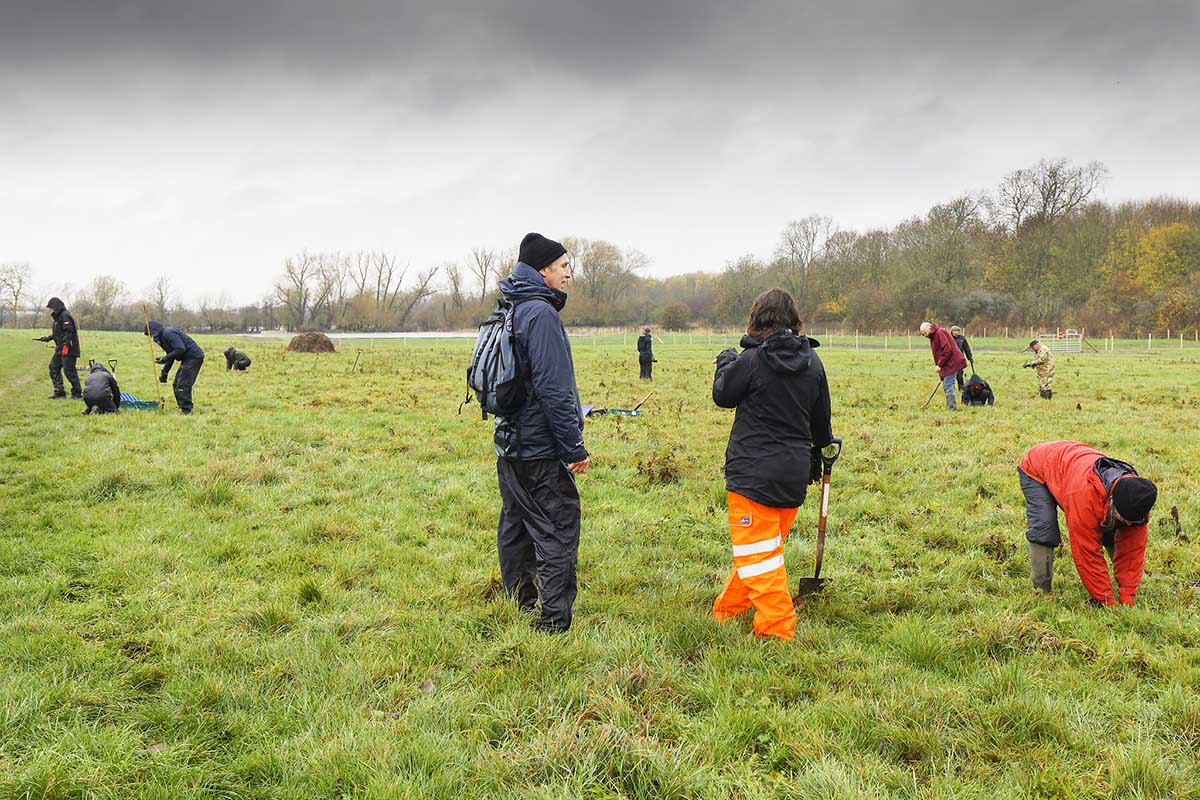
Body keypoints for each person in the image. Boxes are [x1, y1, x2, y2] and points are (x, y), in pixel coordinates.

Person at [711, 288, 832, 640]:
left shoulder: (751, 361)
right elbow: (821, 424)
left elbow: (722, 395)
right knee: (762, 549)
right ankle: (729, 609)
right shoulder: (814, 362)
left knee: (758, 553)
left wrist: (725, 362)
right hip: (794, 474)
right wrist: (820, 449)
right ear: (794, 320)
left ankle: (777, 629)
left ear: (757, 318)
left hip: (752, 473)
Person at [493, 232, 589, 634]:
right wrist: (574, 448)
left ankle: (520, 600)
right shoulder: (541, 314)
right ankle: (553, 620)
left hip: (509, 442)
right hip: (539, 447)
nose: (569, 274)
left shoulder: (510, 307)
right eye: (564, 267)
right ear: (543, 270)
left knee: (516, 523)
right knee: (557, 524)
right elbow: (555, 390)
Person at [1018, 440, 1157, 606]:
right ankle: (1041, 591)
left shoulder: (1138, 498)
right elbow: (1086, 552)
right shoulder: (1084, 496)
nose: (1128, 522)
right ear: (1112, 501)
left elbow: (1133, 548)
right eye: (1123, 517)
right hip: (1038, 467)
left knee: (1113, 530)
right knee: (1044, 528)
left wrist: (1127, 593)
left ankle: (1120, 586)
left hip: (1072, 461)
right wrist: (1105, 600)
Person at [144, 320, 205, 414]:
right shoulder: (162, 337)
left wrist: (165, 358)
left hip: (194, 357)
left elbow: (180, 349)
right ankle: (182, 407)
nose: (152, 338)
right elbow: (171, 355)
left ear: (155, 331)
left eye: (151, 335)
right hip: (187, 358)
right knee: (176, 384)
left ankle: (186, 410)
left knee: (183, 384)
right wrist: (164, 372)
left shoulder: (168, 333)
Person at [35, 297, 82, 399]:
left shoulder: (65, 316)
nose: (52, 310)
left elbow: (68, 331)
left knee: (69, 371)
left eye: (52, 308)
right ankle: (59, 391)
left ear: (57, 306)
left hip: (68, 349)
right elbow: (58, 333)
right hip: (60, 348)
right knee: (53, 367)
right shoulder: (58, 317)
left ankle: (77, 393)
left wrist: (65, 346)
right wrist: (48, 338)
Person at [919, 322, 967, 410]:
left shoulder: (939, 333)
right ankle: (950, 406)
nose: (924, 335)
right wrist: (941, 372)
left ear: (929, 328)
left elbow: (947, 350)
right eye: (922, 334)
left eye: (925, 333)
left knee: (948, 385)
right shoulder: (933, 337)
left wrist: (940, 365)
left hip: (952, 363)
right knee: (947, 385)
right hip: (947, 363)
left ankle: (951, 409)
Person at [949, 325, 974, 392]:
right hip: (950, 361)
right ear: (952, 331)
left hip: (959, 360)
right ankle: (951, 390)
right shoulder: (948, 338)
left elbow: (967, 348)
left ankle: (961, 389)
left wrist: (970, 357)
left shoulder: (962, 339)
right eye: (957, 331)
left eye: (959, 331)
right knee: (951, 377)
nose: (958, 332)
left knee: (960, 376)